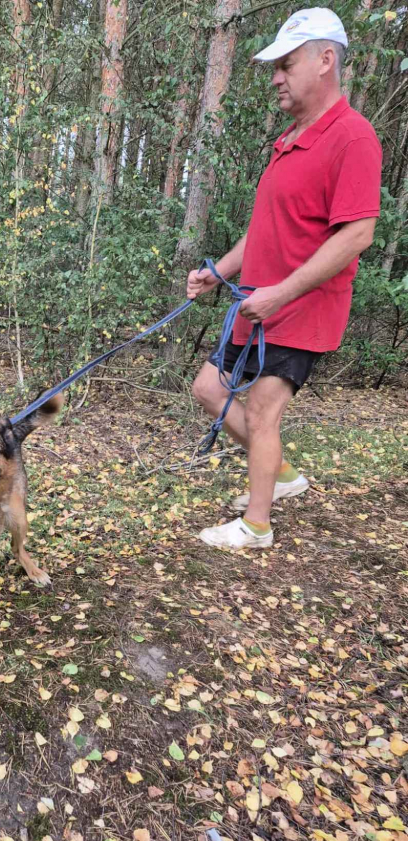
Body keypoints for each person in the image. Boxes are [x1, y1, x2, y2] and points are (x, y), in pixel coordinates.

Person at [188, 7, 382, 550]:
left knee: (264, 409)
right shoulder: (290, 140)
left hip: (301, 308)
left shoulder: (353, 137)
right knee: (209, 389)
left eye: (286, 64)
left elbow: (356, 234)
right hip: (258, 303)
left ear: (325, 61)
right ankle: (282, 477)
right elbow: (266, 232)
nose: (275, 77)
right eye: (274, 66)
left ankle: (256, 525)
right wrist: (217, 271)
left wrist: (282, 293)